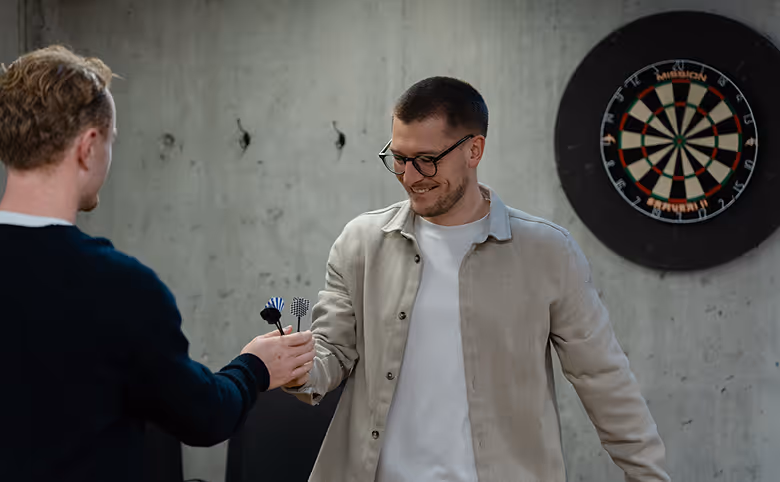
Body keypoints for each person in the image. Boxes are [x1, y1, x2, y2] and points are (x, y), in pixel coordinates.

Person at [284, 76, 671, 481]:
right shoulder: (361, 243)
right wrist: (298, 368)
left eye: (426, 159)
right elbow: (332, 352)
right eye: (398, 158)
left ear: (474, 149)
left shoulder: (547, 252)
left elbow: (603, 378)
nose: (410, 176)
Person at [0, 46, 315, 482]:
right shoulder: (118, 288)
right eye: (112, 140)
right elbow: (203, 416)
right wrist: (255, 366)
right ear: (89, 147)